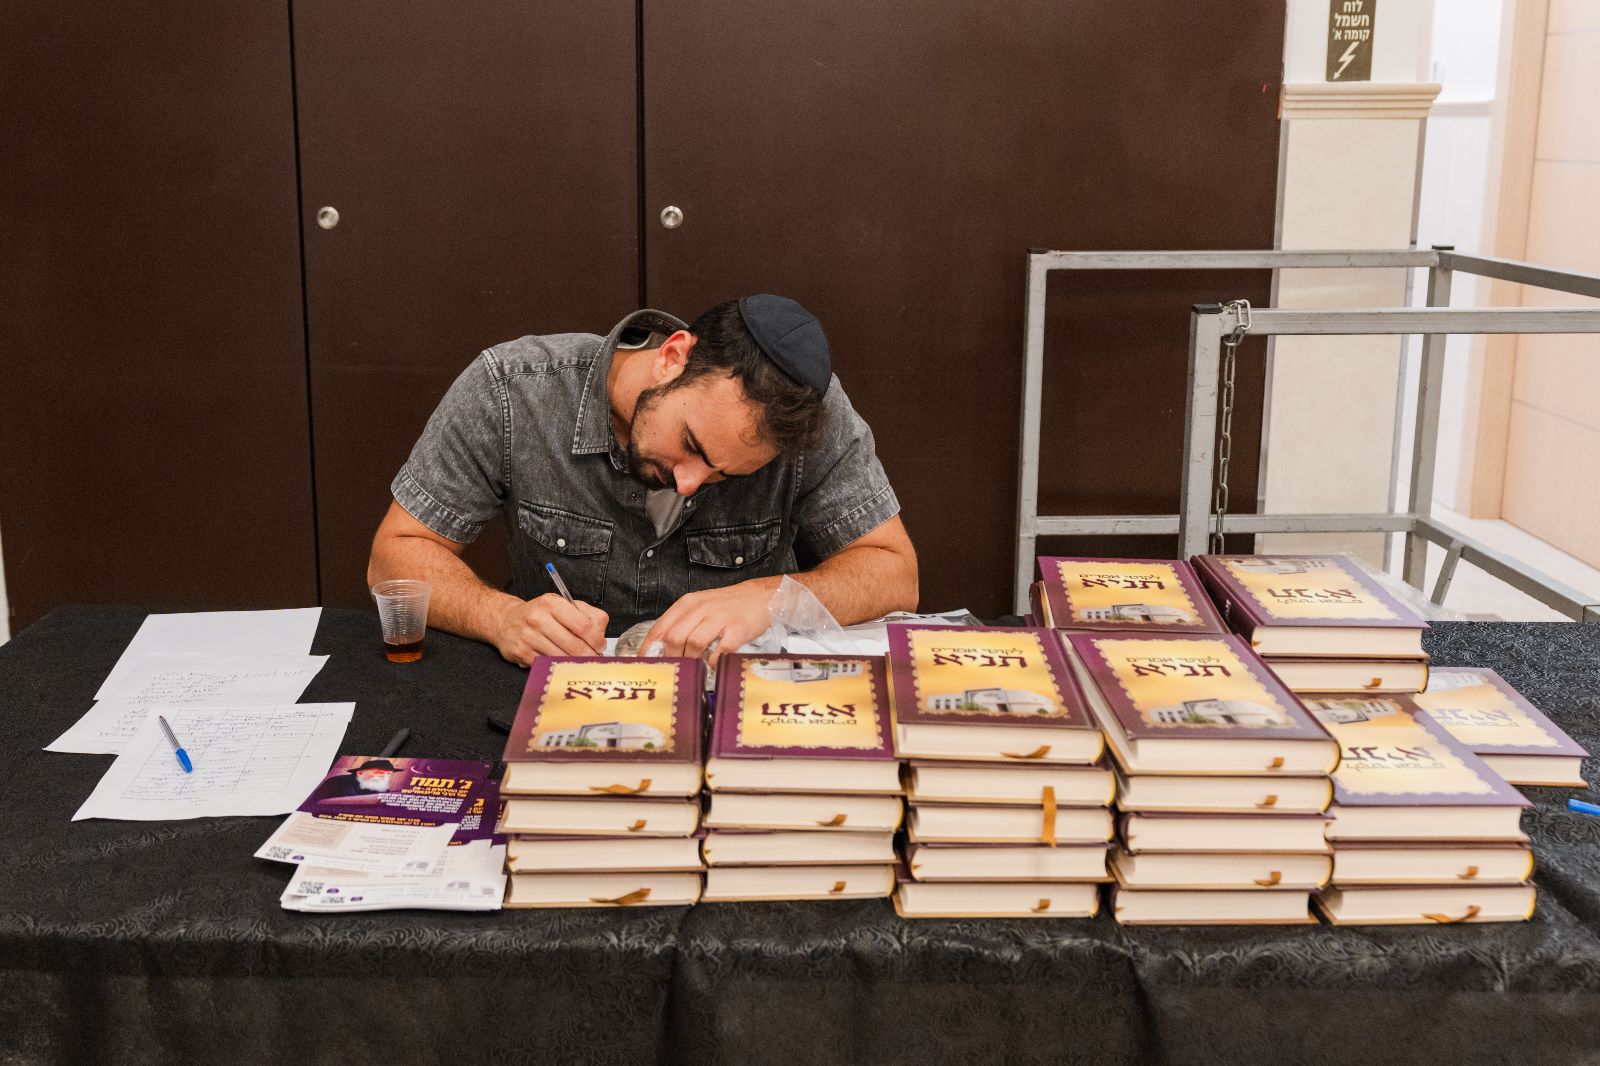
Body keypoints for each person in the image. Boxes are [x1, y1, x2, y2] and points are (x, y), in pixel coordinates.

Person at [367, 296, 917, 665]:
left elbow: (894, 572)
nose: (689, 485)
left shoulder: (807, 417)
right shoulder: (512, 391)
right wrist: (501, 617)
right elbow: (395, 557)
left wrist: (770, 600)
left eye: (726, 475)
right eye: (693, 446)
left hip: (739, 703)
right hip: (553, 701)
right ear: (673, 357)